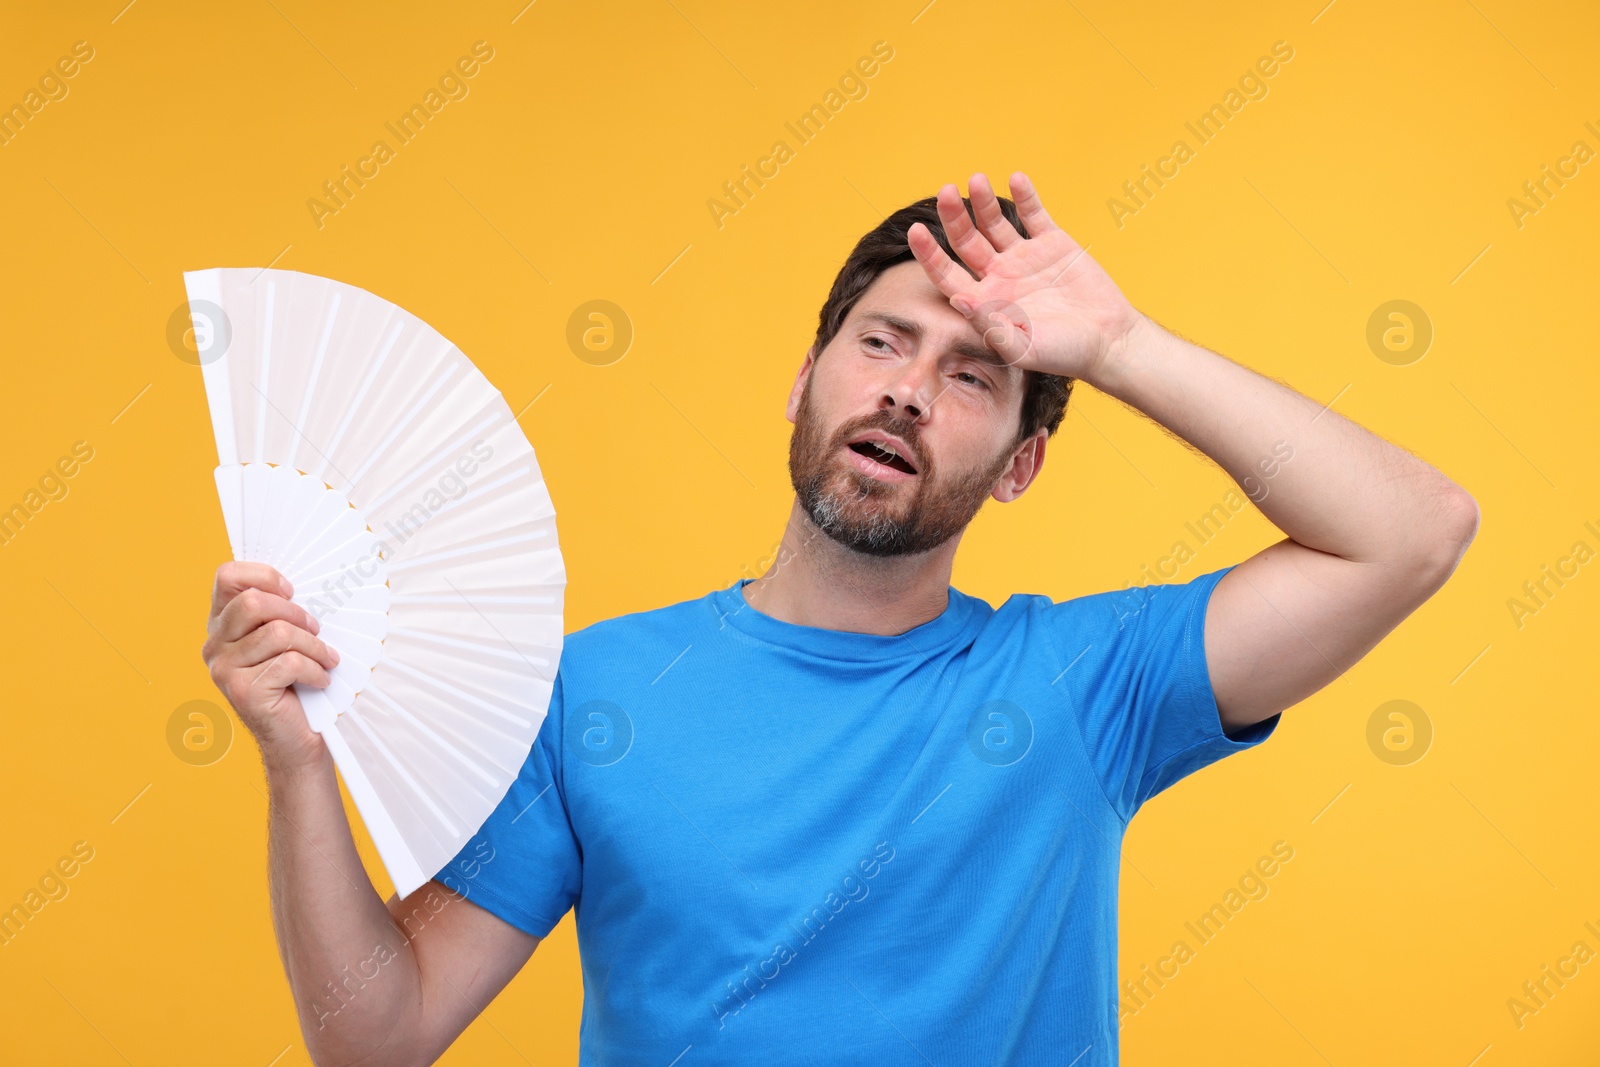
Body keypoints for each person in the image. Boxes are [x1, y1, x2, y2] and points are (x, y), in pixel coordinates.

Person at [201, 172, 1479, 1066]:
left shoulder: (1088, 683)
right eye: (881, 343)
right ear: (806, 380)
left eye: (972, 372)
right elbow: (379, 1033)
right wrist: (296, 764)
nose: (910, 392)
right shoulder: (593, 691)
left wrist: (1120, 344)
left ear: (1022, 463)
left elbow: (1412, 530)